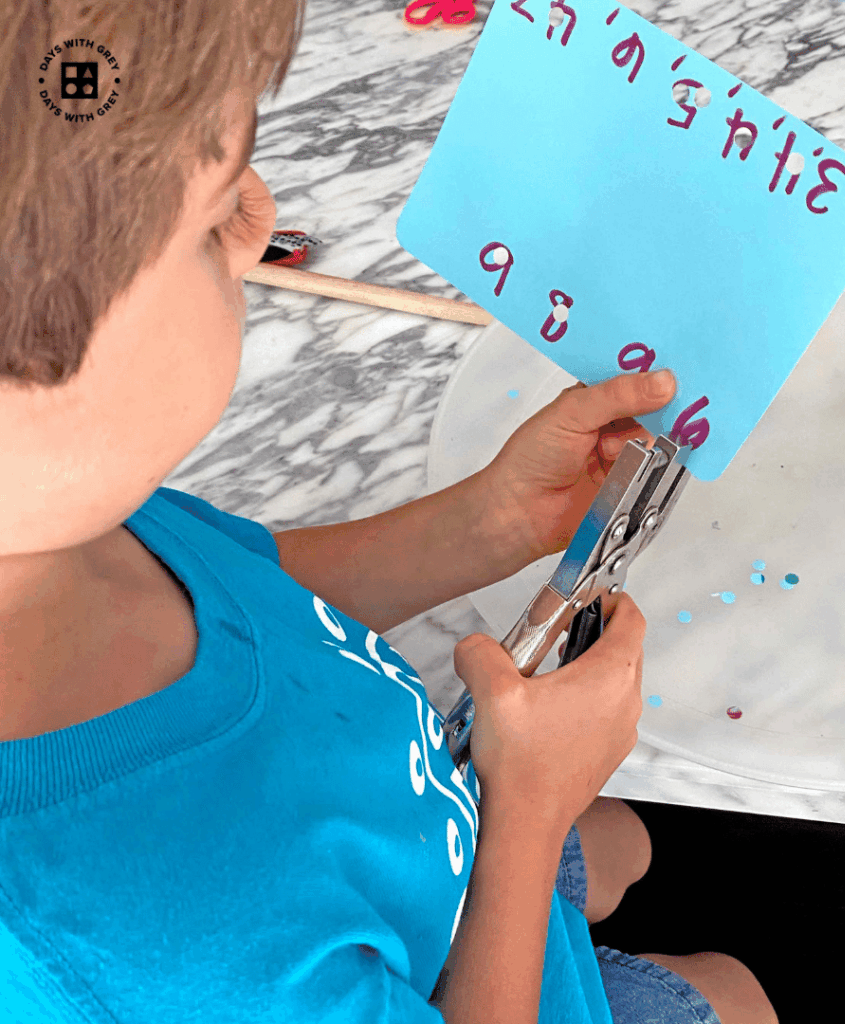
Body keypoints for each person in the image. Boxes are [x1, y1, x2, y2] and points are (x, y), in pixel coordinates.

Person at [0, 3, 777, 1023]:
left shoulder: (54, 517)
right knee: (734, 992)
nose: (259, 228)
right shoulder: (161, 943)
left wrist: (489, 523)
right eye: (215, 219)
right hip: (470, 941)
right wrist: (529, 819)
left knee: (625, 842)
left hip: (419, 831)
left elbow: (248, 599)